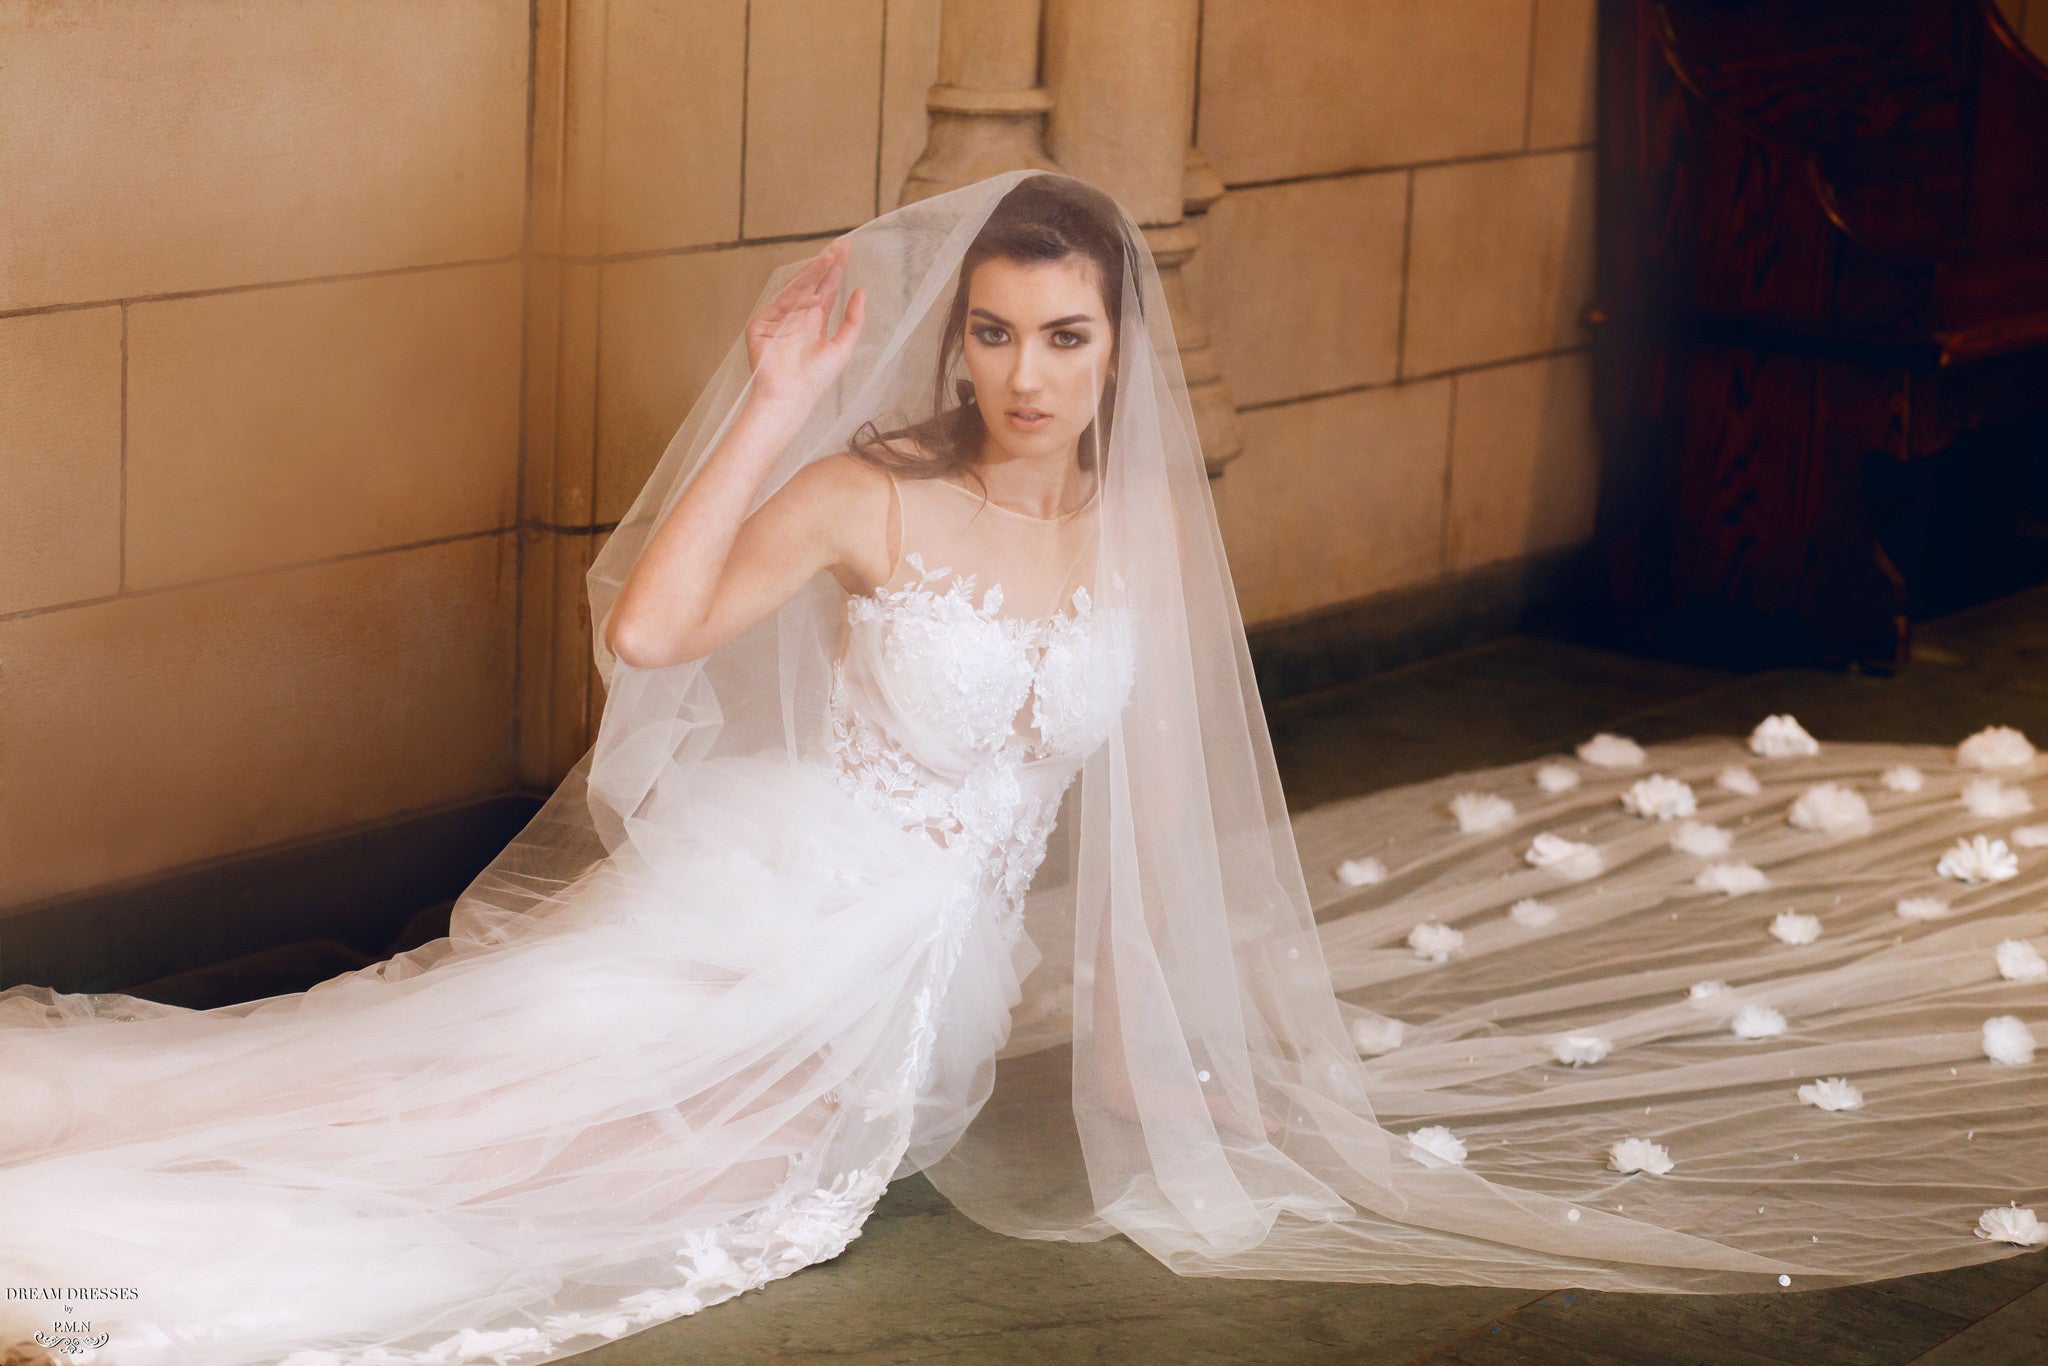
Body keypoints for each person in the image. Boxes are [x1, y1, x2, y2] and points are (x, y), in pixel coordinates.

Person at [0, 169, 2041, 1366]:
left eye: (1059, 337)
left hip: (928, 982)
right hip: (763, 902)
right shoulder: (872, 494)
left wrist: (1178, 1045)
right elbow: (645, 633)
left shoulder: (1136, 529)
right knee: (492, 1123)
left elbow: (1128, 810)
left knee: (657, 1172)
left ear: (1115, 347)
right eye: (987, 332)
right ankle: (92, 1227)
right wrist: (785, 394)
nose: (1017, 375)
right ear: (951, 339)